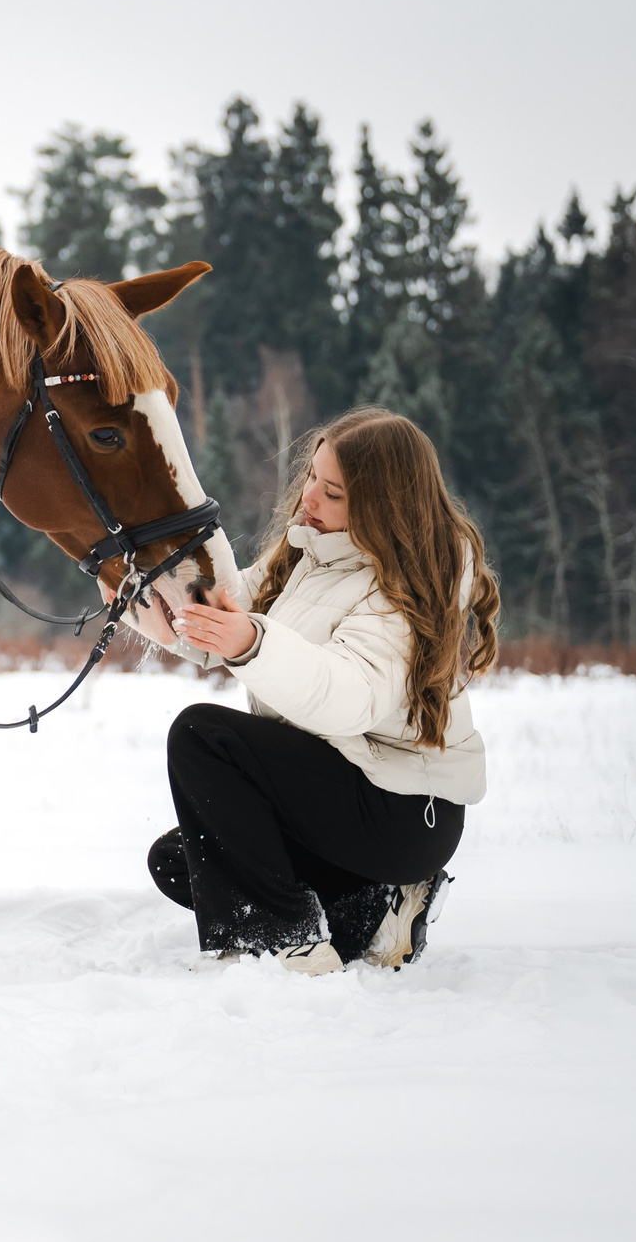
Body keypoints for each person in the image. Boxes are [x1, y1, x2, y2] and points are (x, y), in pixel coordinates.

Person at [131, 406, 499, 975]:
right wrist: (143, 603)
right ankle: (371, 910)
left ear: (382, 507)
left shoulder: (406, 586)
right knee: (184, 860)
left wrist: (251, 641)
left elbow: (346, 695)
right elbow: (230, 609)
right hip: (344, 791)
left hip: (398, 812)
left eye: (333, 493)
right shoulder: (313, 552)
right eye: (312, 479)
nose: (309, 499)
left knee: (204, 736)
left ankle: (287, 939)